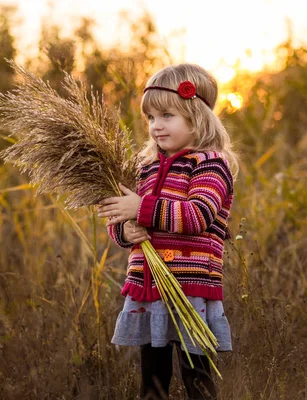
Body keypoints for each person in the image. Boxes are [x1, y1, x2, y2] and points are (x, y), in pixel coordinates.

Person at [97, 63, 238, 400]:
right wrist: (125, 232)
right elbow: (120, 220)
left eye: (166, 115)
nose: (156, 126)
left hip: (189, 288)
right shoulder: (143, 167)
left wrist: (140, 209)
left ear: (197, 116)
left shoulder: (209, 164)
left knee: (197, 379)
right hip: (148, 289)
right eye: (150, 118)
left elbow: (197, 216)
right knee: (152, 382)